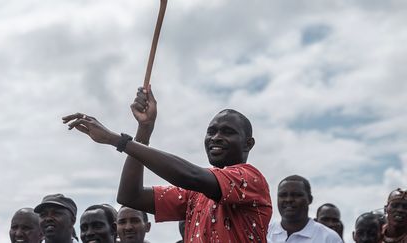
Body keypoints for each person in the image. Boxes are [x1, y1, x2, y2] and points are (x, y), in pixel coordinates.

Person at [62, 86, 272, 242]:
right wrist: (144, 131)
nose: (215, 137)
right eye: (211, 131)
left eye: (228, 132)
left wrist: (116, 140)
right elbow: (130, 196)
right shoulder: (194, 195)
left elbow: (191, 176)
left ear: (248, 144)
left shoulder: (250, 179)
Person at [267, 175, 343, 243]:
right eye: (283, 195)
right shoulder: (265, 232)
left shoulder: (329, 238)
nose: (288, 199)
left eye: (296, 195)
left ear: (310, 199)